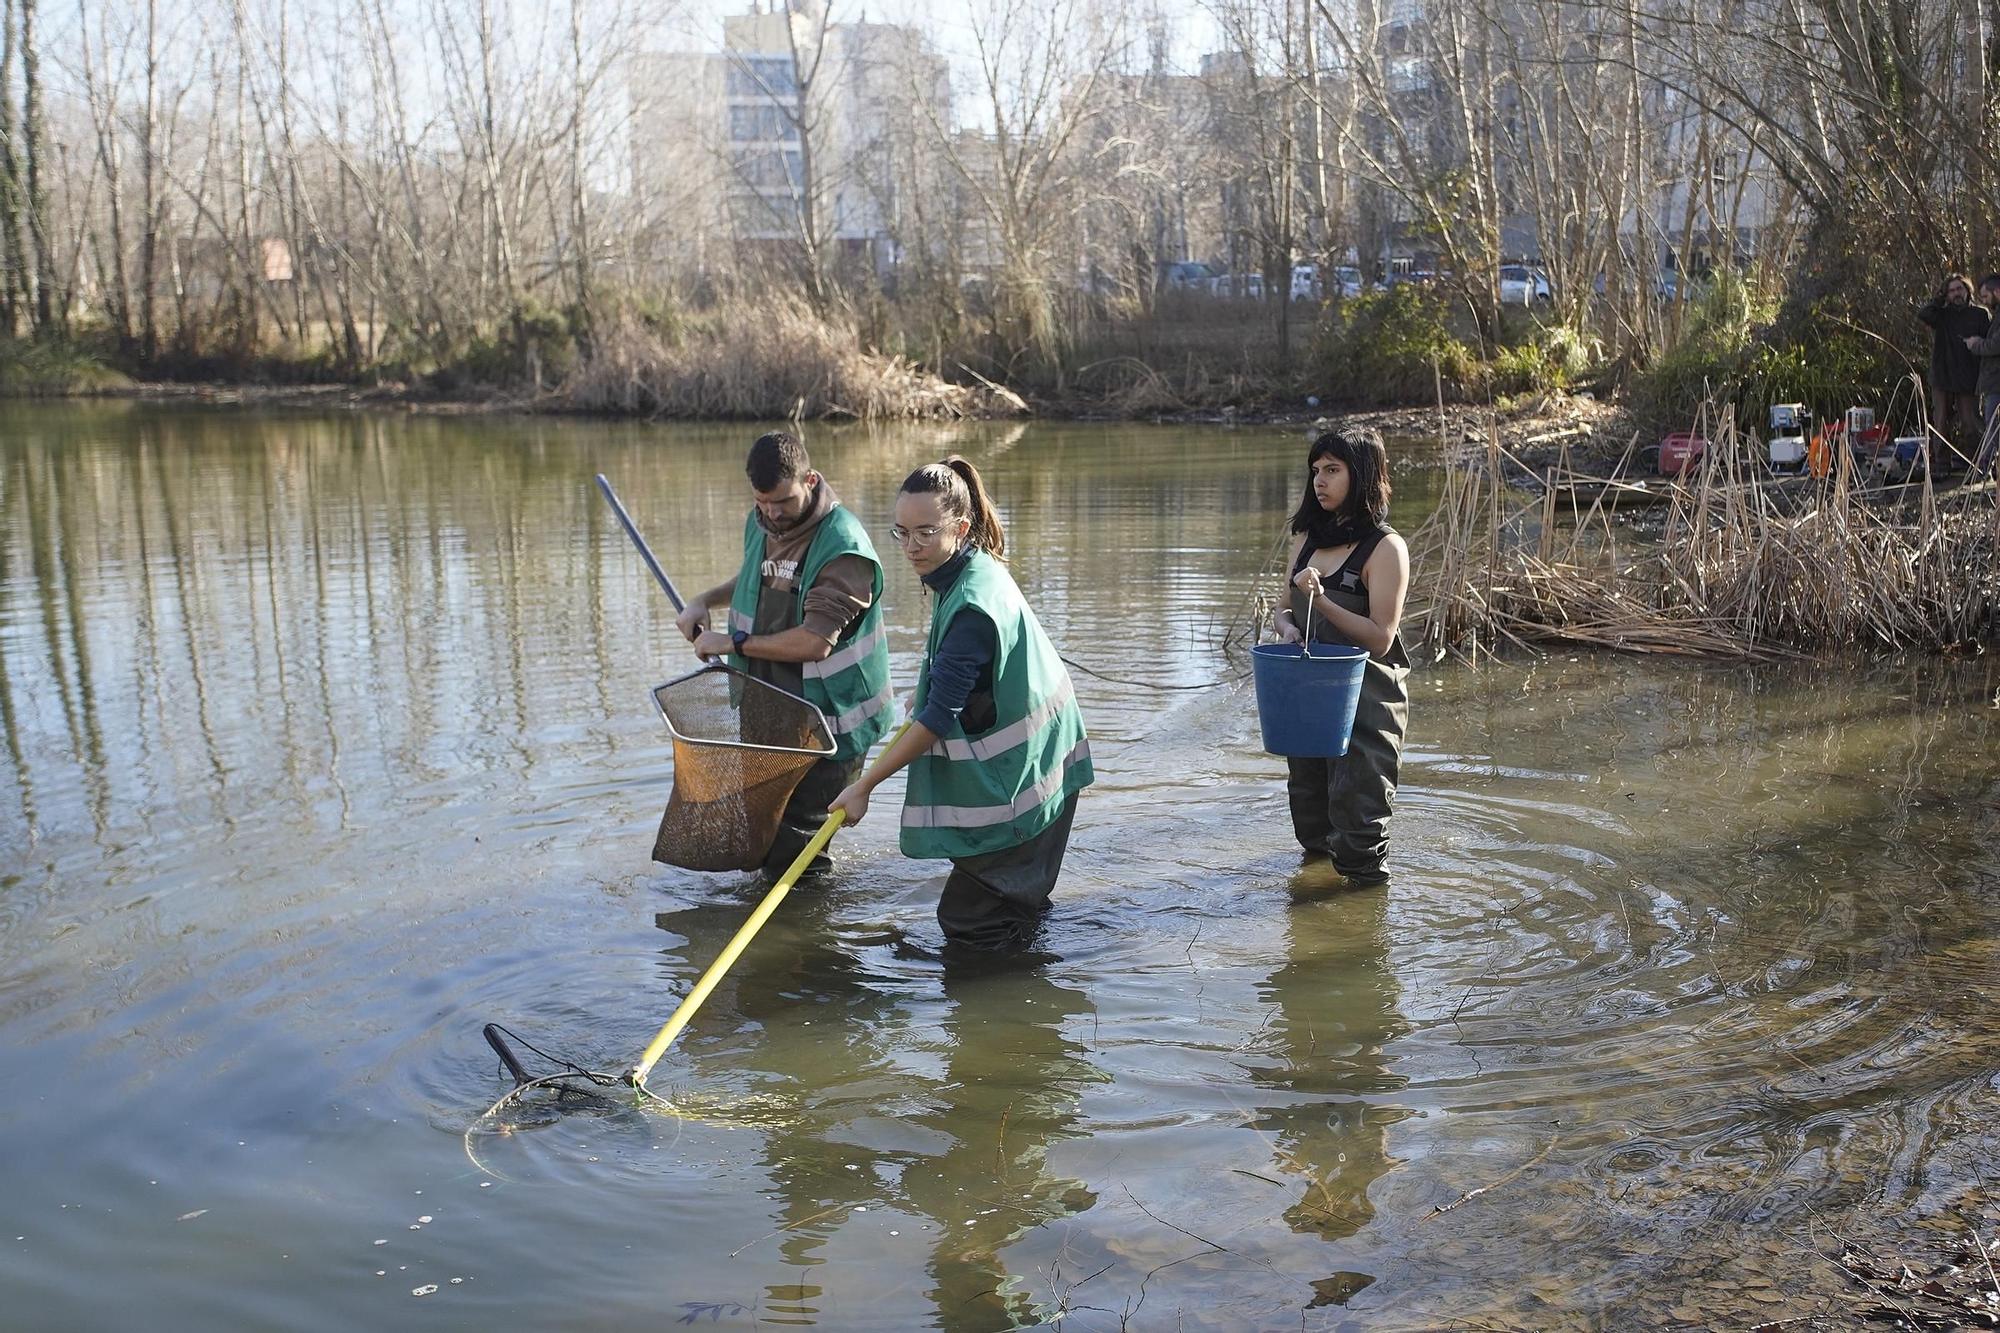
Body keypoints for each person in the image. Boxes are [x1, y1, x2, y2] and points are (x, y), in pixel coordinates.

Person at [828, 456, 1094, 952]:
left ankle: (1001, 1015)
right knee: (1011, 908)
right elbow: (963, 678)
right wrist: (929, 684)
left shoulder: (971, 602)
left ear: (961, 526)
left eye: (925, 533)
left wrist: (863, 786)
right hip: (1047, 765)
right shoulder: (974, 568)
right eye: (901, 533)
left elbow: (934, 720)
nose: (910, 548)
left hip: (1026, 783)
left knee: (969, 922)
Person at [676, 430, 893, 875]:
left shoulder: (842, 547)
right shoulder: (761, 522)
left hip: (828, 728)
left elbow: (815, 641)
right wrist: (703, 600)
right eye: (762, 502)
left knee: (795, 858)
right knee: (762, 841)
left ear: (810, 480)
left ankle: (805, 939)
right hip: (770, 713)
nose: (773, 514)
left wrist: (732, 643)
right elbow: (756, 578)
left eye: (783, 501)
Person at [1271, 422, 1411, 885]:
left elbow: (1380, 638)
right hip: (1310, 700)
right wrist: (1289, 628)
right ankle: (1311, 915)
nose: (1319, 481)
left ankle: (1363, 932)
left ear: (1363, 474)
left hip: (1367, 705)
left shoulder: (1386, 548)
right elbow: (1281, 609)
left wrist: (1323, 600)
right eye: (1315, 470)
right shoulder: (1307, 538)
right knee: (1311, 822)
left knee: (1360, 837)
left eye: (1332, 469)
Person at [1918, 273, 1989, 463]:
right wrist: (1940, 298)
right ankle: (1941, 464)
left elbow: (1988, 343)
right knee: (1940, 423)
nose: (1956, 294)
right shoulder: (1941, 314)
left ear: (1967, 290)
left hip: (1968, 377)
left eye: (1959, 289)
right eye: (1951, 291)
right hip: (1943, 376)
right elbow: (1923, 314)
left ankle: (1975, 464)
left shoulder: (1980, 314)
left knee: (1971, 423)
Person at [1960, 274, 2000, 478]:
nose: (1983, 301)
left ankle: (1984, 468)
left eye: (1985, 296)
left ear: (1997, 292)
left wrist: (1976, 345)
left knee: (1992, 427)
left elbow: (1996, 345)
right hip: (1993, 382)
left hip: (1996, 383)